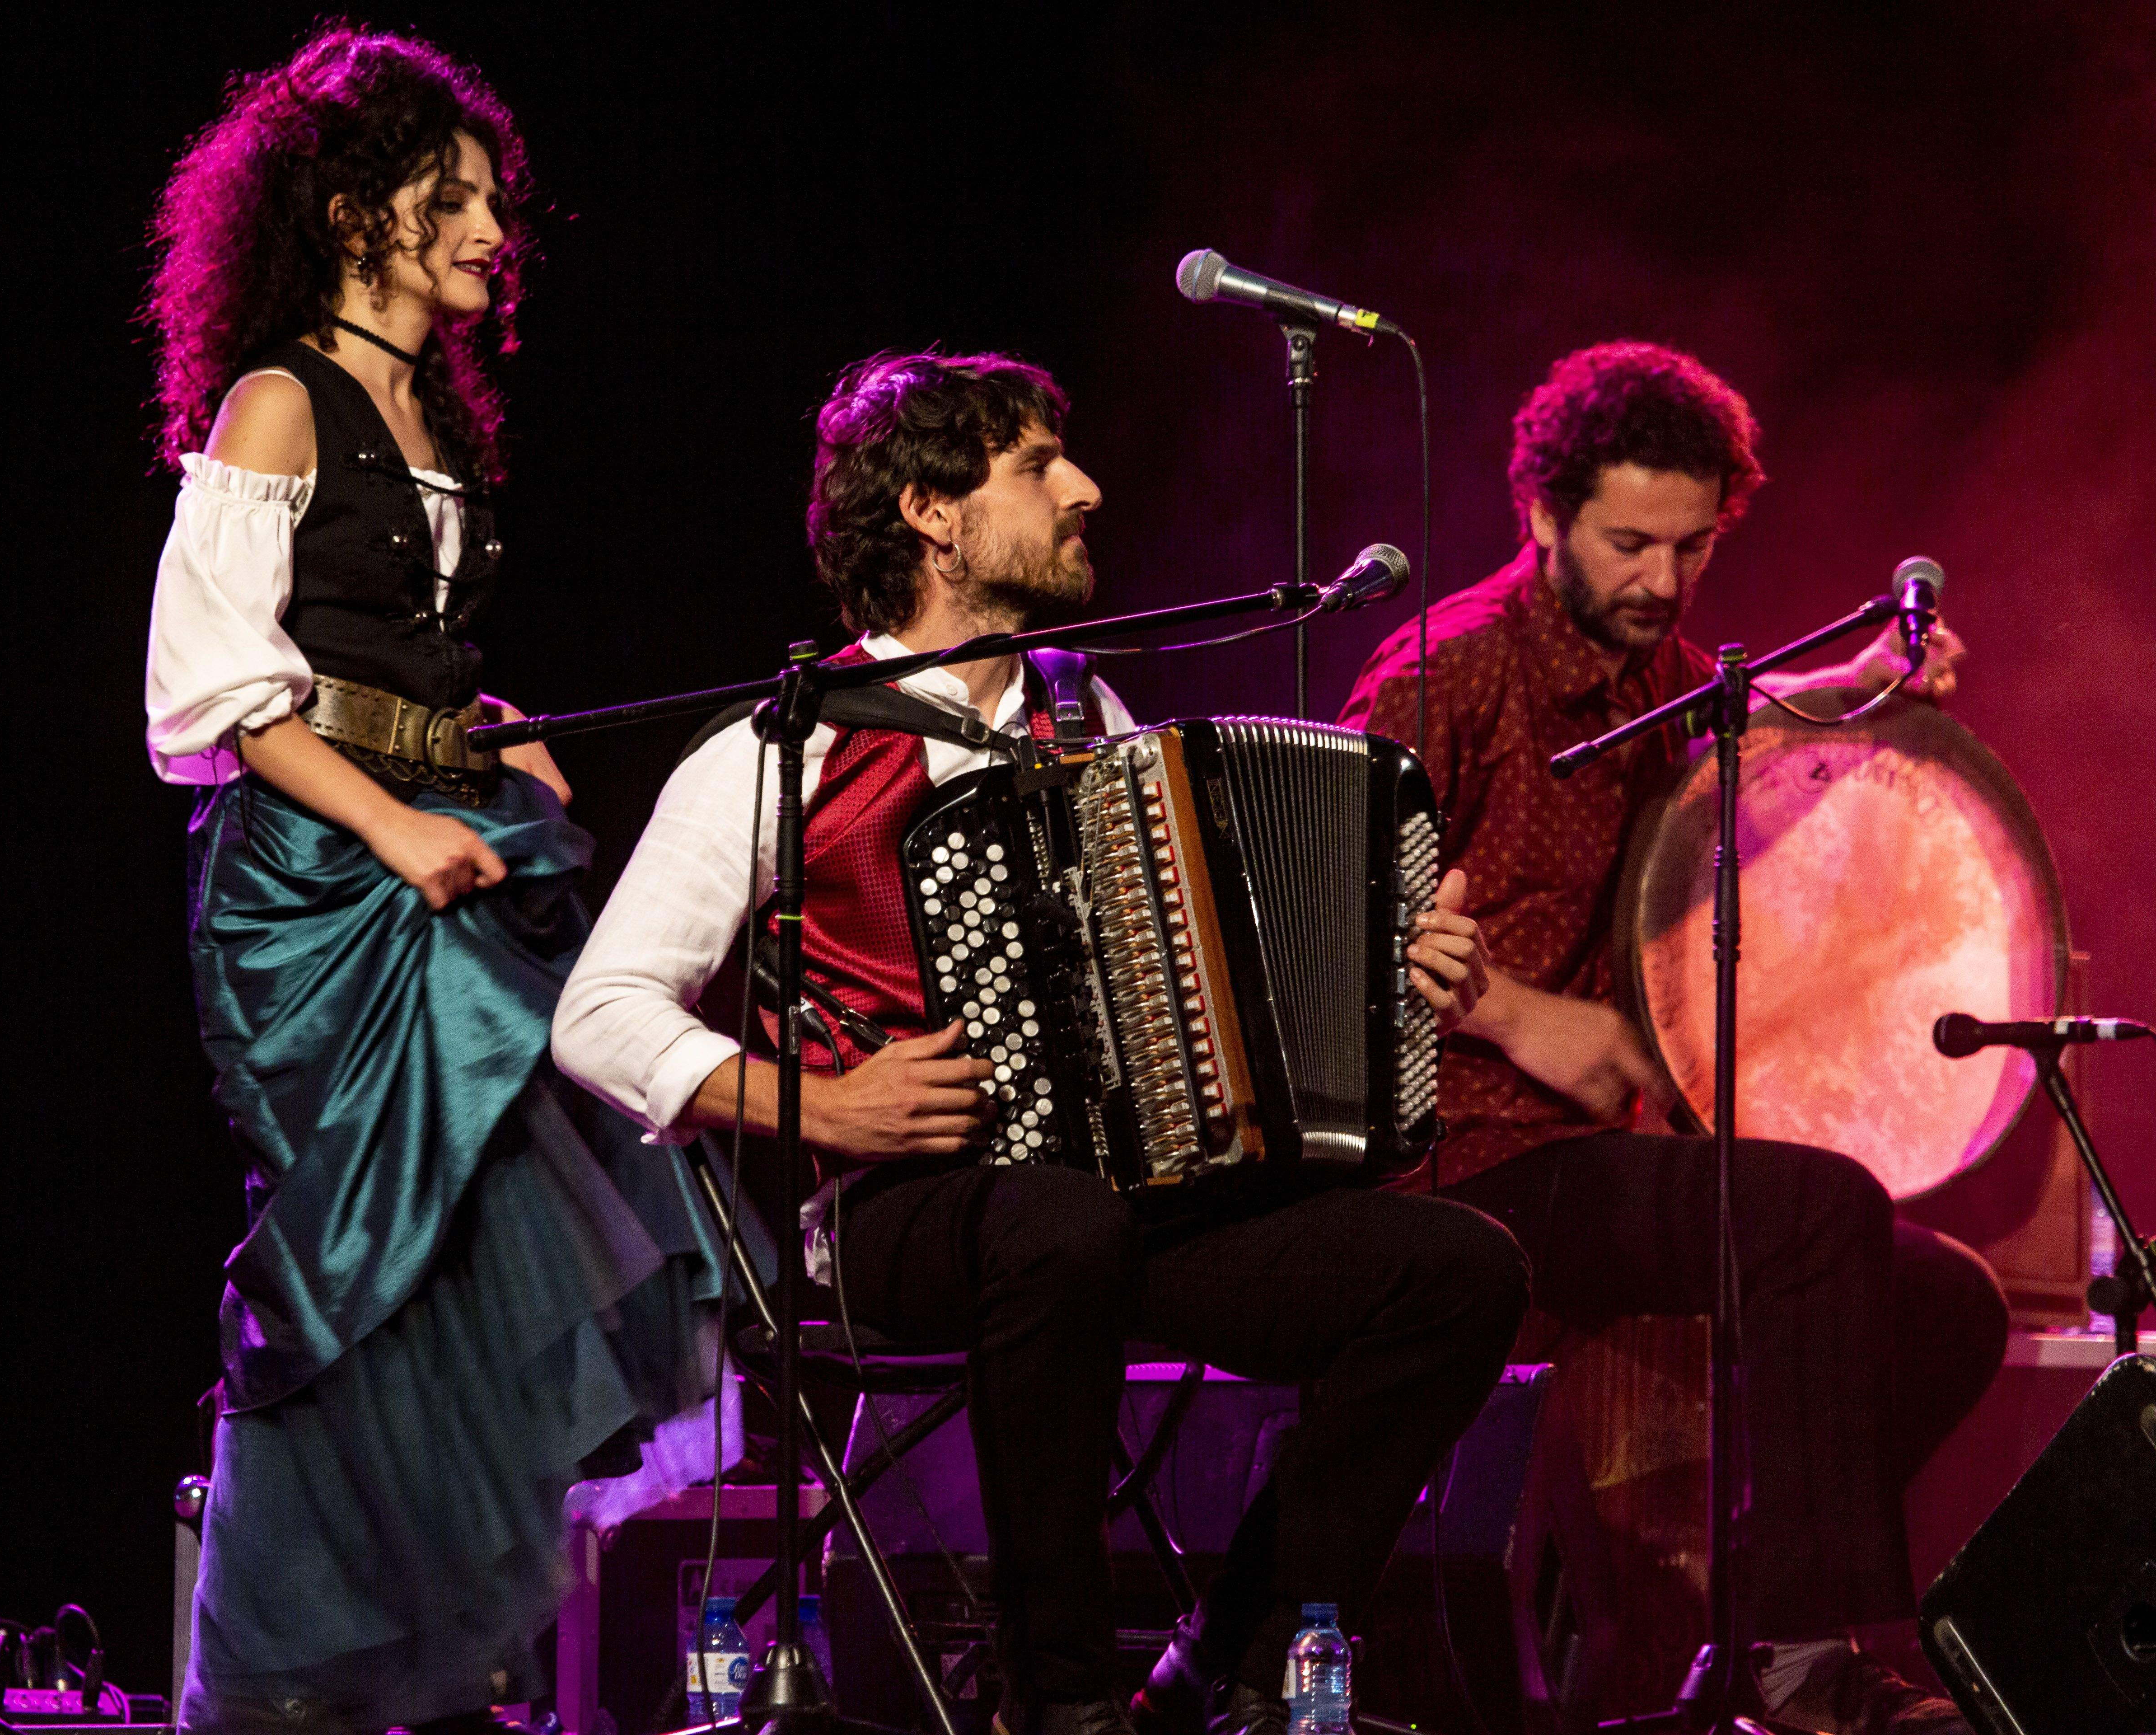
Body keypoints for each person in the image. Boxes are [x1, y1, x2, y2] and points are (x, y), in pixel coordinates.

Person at [554, 350, 1531, 1735]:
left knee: (1454, 1274)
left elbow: (1209, 978)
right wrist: (831, 1110)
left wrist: (1386, 971)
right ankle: (1055, 1701)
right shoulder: (786, 752)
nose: (1086, 488)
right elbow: (600, 1016)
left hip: (1125, 1213)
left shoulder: (1090, 721)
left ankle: (1229, 1665)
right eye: (1036, 465)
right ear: (932, 514)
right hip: (900, 1212)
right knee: (1056, 1228)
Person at [140, 30, 734, 1734]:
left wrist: (483, 733)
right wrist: (396, 820)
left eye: (491, 202)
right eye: (448, 198)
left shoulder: (431, 410)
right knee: (366, 1253)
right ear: (348, 215)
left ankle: (434, 1648)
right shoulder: (281, 396)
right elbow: (211, 688)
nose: (490, 229)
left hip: (433, 841)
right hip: (323, 894)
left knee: (471, 1251)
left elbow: (375, 647)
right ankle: (266, 1673)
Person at [1339, 341, 2008, 1735]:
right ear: (1542, 516)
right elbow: (1321, 927)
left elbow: (1749, 720)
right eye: (1630, 542)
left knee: (1950, 1303)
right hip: (1455, 1165)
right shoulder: (1441, 677)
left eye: (1692, 548)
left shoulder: (1665, 671)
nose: (1661, 580)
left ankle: (1738, 1626)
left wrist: (1874, 679)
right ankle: (1802, 1666)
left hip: (1587, 1158)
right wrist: (1525, 1016)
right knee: (1814, 1214)